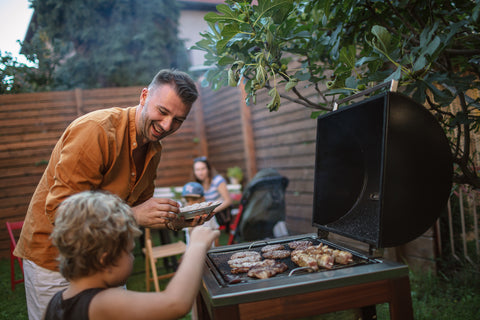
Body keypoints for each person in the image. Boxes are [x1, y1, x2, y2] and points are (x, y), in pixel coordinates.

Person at [14, 69, 209, 320]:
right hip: (56, 260)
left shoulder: (153, 147)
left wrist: (175, 219)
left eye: (178, 120)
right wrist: (134, 214)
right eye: (162, 112)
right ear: (144, 96)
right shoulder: (95, 130)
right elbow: (61, 210)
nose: (167, 126)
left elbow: (141, 207)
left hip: (108, 261)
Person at [43, 190, 220, 320]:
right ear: (105, 260)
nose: (132, 258)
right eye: (128, 251)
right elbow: (176, 304)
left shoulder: (54, 304)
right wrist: (195, 246)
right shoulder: (101, 303)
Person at [193, 156, 233, 235]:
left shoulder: (217, 180)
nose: (200, 172)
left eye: (203, 169)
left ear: (208, 169)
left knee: (202, 222)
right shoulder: (197, 184)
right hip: (208, 213)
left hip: (220, 213)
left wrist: (211, 211)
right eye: (197, 170)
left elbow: (228, 201)